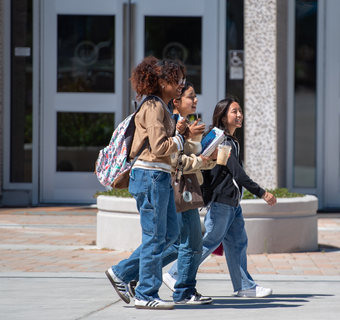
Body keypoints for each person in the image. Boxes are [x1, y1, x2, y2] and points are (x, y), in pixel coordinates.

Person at [104, 57, 200, 310]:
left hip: (158, 177)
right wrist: (180, 140)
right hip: (150, 177)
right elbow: (159, 147)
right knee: (156, 237)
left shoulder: (162, 107)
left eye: (180, 79)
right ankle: (146, 294)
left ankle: (122, 272)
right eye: (174, 79)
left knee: (169, 234)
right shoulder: (154, 107)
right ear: (159, 82)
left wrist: (179, 134)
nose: (179, 84)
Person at [163, 97, 278, 298]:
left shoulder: (231, 140)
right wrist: (262, 192)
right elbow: (237, 173)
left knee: (238, 243)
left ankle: (244, 285)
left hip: (232, 203)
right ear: (223, 118)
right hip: (222, 201)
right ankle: (175, 274)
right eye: (234, 111)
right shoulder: (222, 140)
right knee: (208, 241)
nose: (239, 114)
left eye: (240, 111)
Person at [155, 81, 215, 305]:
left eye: (195, 96)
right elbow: (173, 161)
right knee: (192, 243)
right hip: (178, 188)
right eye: (191, 97)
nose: (195, 100)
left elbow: (195, 162)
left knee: (181, 243)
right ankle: (184, 291)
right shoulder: (174, 126)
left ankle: (134, 273)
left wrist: (211, 157)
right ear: (177, 102)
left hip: (188, 187)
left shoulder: (188, 124)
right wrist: (194, 148)